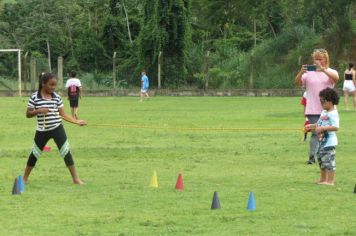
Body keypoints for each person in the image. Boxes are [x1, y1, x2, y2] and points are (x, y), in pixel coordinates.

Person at [23, 72, 87, 185]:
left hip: (57, 129)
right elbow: (28, 114)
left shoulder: (56, 97)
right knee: (35, 153)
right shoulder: (34, 97)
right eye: (50, 85)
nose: (53, 87)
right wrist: (38, 111)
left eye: (54, 85)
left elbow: (63, 114)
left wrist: (77, 121)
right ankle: (24, 179)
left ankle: (76, 179)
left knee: (66, 152)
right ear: (43, 84)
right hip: (42, 131)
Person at [295, 48, 339, 164]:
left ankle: (323, 153)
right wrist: (301, 72)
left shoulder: (331, 72)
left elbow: (336, 79)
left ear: (326, 59)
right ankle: (311, 157)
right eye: (316, 59)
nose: (317, 61)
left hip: (327, 109)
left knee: (325, 132)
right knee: (316, 132)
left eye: (320, 59)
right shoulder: (308, 73)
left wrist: (323, 70)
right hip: (312, 109)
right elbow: (297, 82)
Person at [305, 88, 339, 186]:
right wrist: (312, 126)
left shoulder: (333, 113)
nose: (321, 103)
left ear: (331, 101)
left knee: (329, 161)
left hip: (329, 142)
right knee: (321, 160)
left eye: (323, 101)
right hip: (321, 142)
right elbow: (319, 123)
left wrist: (323, 128)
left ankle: (330, 181)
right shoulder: (324, 112)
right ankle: (323, 179)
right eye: (320, 101)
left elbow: (336, 127)